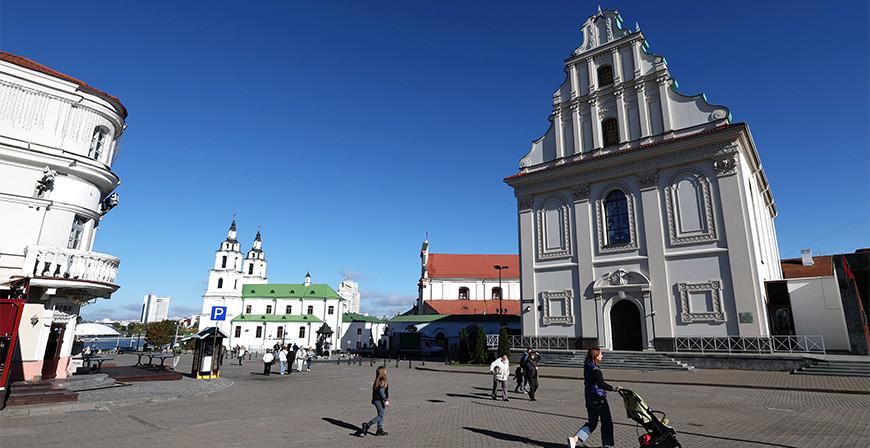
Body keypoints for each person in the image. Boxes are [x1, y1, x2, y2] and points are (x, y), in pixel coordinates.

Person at [568, 347, 620, 448]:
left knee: (592, 422)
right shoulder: (596, 370)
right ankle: (608, 445)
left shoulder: (587, 366)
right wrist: (614, 388)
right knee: (607, 423)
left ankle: (574, 439)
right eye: (600, 354)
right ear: (595, 356)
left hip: (589, 398)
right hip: (599, 398)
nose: (602, 356)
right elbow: (601, 384)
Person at [360, 366, 390, 437]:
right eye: (385, 371)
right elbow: (382, 392)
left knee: (381, 414)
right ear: (383, 372)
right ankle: (367, 425)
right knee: (381, 415)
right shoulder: (383, 381)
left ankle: (379, 430)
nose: (386, 372)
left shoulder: (377, 380)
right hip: (379, 400)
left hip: (377, 400)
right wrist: (385, 400)